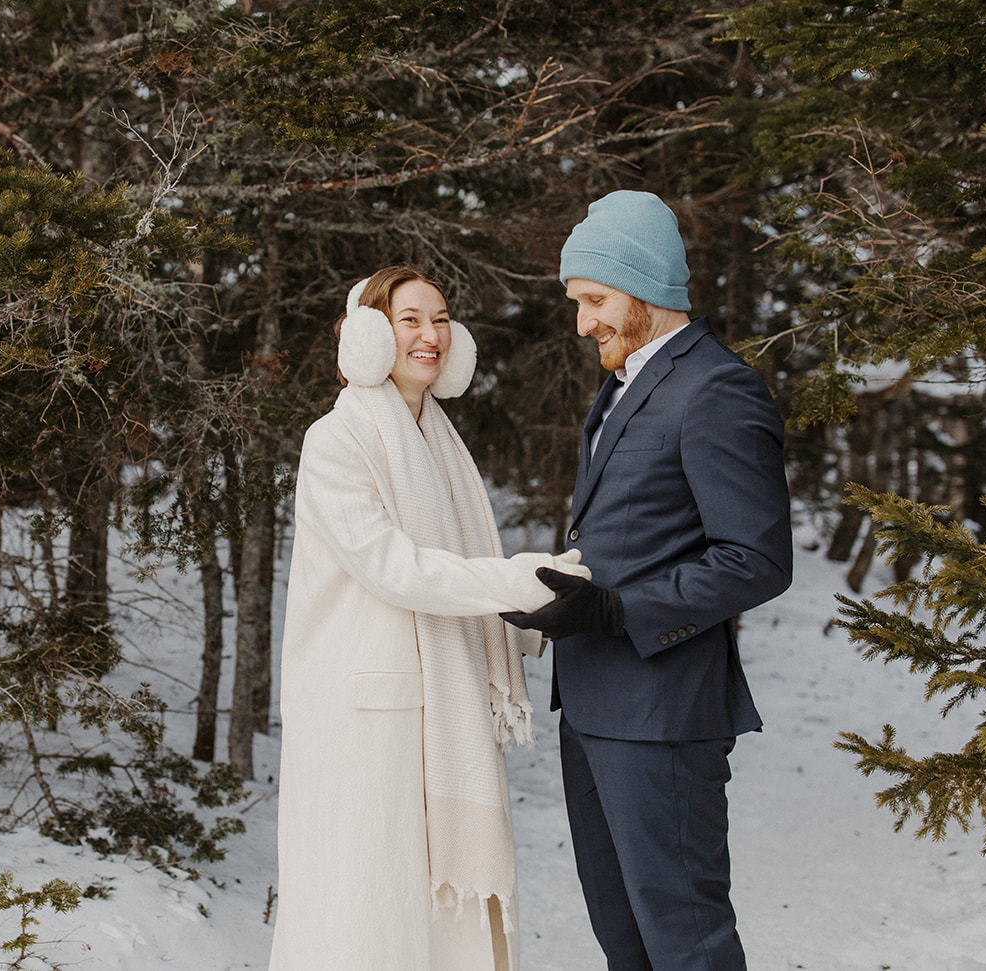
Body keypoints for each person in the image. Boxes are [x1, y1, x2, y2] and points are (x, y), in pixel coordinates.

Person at [501, 191, 793, 971]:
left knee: (685, 939)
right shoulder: (625, 384)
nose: (582, 322)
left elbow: (758, 559)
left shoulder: (717, 390)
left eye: (594, 300)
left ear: (646, 287)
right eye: (576, 302)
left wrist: (619, 609)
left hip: (663, 715)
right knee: (624, 940)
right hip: (594, 707)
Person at [269, 265, 590, 971]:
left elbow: (449, 570)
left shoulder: (441, 446)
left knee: (435, 923)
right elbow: (395, 566)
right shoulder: (337, 440)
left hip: (432, 707)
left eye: (441, 318)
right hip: (364, 723)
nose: (430, 334)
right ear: (369, 334)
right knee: (367, 908)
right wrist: (515, 579)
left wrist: (534, 606)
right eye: (409, 318)